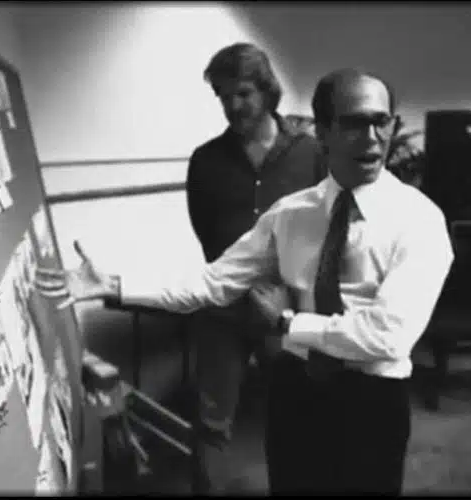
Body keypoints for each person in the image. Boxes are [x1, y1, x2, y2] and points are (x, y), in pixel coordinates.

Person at [35, 68, 455, 494]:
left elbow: (388, 337)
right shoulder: (290, 215)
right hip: (297, 389)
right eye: (354, 123)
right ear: (324, 131)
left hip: (372, 400)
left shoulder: (420, 221)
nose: (372, 137)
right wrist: (114, 285)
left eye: (382, 121)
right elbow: (211, 283)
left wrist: (288, 323)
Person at [182, 42, 325, 493]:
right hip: (223, 306)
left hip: (285, 309)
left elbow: (326, 231)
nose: (233, 105)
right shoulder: (205, 161)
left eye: (242, 93)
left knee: (294, 412)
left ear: (267, 91)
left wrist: (293, 294)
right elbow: (206, 231)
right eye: (223, 96)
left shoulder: (311, 154)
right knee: (211, 419)